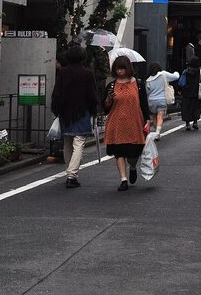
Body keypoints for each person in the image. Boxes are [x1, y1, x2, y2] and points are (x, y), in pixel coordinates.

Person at [51, 44, 98, 188]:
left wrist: (56, 110)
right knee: (79, 143)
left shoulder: (63, 72)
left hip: (65, 112)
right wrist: (94, 111)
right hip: (82, 112)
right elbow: (92, 95)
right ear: (83, 57)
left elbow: (57, 93)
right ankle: (72, 175)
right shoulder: (88, 73)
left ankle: (69, 173)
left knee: (67, 142)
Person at [103, 55, 150, 191]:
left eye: (122, 69)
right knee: (119, 152)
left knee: (134, 153)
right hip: (116, 123)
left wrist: (147, 120)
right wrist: (108, 99)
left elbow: (143, 104)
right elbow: (105, 107)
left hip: (134, 123)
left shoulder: (138, 84)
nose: (120, 72)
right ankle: (123, 179)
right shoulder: (111, 85)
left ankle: (133, 167)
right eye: (117, 69)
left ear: (128, 69)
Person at [145, 62, 179, 140]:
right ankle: (157, 133)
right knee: (160, 116)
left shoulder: (148, 80)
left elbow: (147, 92)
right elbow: (176, 76)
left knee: (154, 117)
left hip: (151, 101)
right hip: (161, 100)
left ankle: (156, 132)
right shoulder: (163, 74)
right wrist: (176, 72)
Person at [180, 55, 201, 131]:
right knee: (196, 108)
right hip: (196, 92)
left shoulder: (186, 71)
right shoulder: (199, 71)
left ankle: (187, 124)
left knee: (186, 108)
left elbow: (182, 82)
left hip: (186, 93)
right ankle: (195, 122)